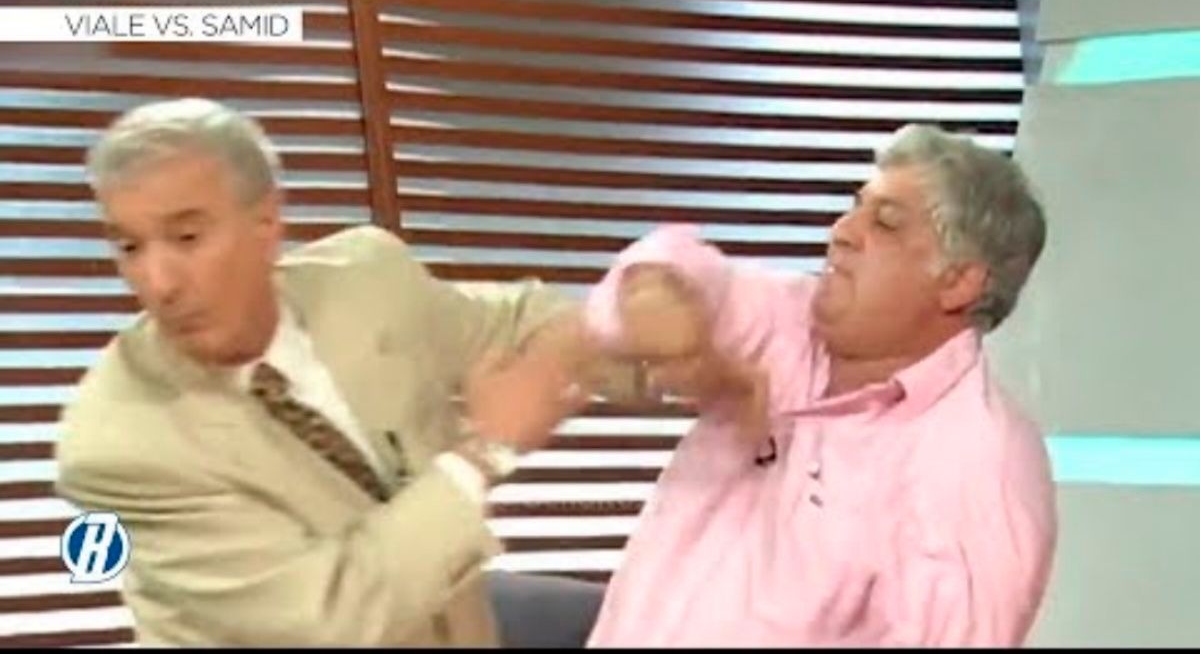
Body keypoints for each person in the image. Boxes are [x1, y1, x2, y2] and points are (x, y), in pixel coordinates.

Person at [53, 97, 618, 646]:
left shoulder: (362, 278)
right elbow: (329, 621)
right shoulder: (120, 445)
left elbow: (522, 321)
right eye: (129, 246)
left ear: (266, 220)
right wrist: (485, 451)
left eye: (187, 238)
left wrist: (639, 331)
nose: (158, 283)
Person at [582, 124, 1058, 647]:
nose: (842, 231)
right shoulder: (787, 322)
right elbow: (682, 272)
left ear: (958, 282)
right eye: (855, 207)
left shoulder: (981, 469)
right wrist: (656, 297)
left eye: (886, 223)